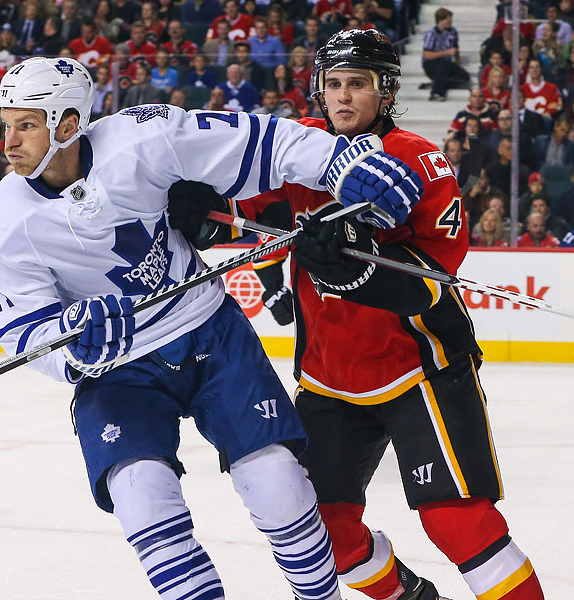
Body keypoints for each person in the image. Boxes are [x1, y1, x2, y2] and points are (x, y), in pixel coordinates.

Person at [0, 56, 425, 600]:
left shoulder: (144, 135)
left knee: (279, 485)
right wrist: (73, 343)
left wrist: (339, 162)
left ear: (68, 125)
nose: (8, 142)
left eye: (26, 124)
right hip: (119, 371)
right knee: (141, 497)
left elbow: (259, 142)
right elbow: (22, 329)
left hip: (208, 332)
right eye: (6, 125)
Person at [167, 30, 543, 600]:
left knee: (457, 523)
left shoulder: (421, 161)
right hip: (329, 378)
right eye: (334, 84)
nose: (343, 97)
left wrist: (358, 270)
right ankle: (409, 596)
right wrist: (203, 212)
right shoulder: (300, 148)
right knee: (322, 532)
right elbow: (243, 212)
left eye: (358, 85)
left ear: (386, 91)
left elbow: (434, 282)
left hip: (421, 370)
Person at [422, 8, 469, 101]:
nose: (450, 22)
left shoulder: (453, 32)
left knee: (464, 77)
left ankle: (437, 83)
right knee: (443, 63)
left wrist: (457, 61)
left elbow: (455, 49)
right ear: (440, 20)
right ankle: (437, 93)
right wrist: (446, 53)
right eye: (448, 20)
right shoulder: (431, 34)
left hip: (447, 63)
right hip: (431, 64)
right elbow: (427, 55)